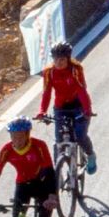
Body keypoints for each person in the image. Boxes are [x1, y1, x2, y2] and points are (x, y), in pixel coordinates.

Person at [37, 40, 97, 175]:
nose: (59, 62)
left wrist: (87, 110)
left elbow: (82, 90)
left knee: (80, 136)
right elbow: (46, 93)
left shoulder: (76, 69)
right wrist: (42, 111)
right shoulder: (48, 72)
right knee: (59, 140)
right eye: (56, 59)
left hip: (78, 106)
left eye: (62, 59)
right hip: (61, 107)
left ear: (68, 59)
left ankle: (91, 155)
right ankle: (56, 170)